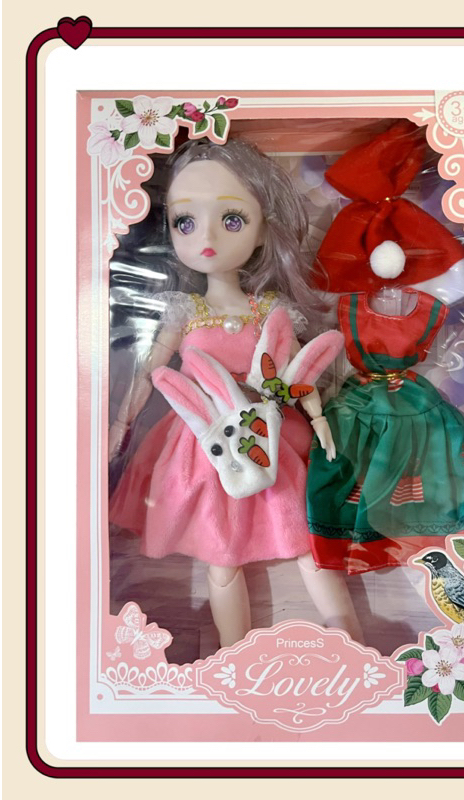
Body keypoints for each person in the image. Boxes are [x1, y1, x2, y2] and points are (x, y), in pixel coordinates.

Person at [108, 138, 363, 647]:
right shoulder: (185, 311)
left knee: (307, 546)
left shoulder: (269, 310)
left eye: (231, 219)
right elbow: (151, 370)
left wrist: (318, 420)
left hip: (266, 436)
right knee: (220, 560)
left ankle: (354, 644)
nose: (205, 238)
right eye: (185, 222)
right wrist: (120, 422)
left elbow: (295, 374)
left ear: (263, 227)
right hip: (204, 442)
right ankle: (233, 659)